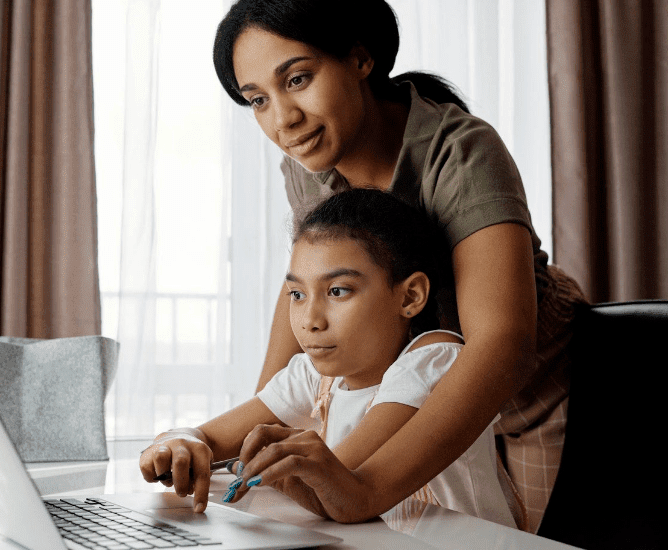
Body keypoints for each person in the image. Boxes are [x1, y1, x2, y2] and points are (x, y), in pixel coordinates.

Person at [205, 0, 586, 533]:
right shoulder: (306, 162)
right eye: (258, 101)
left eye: (298, 79)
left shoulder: (461, 151)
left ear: (361, 59)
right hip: (410, 390)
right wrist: (254, 440)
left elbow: (502, 343)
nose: (283, 119)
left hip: (529, 393)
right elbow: (307, 283)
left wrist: (367, 488)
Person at [140, 189, 516, 527]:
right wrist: (178, 443)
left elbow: (338, 485)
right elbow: (208, 435)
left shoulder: (435, 361)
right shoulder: (315, 377)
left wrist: (252, 463)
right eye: (297, 295)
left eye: (337, 291)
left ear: (410, 296)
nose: (310, 321)